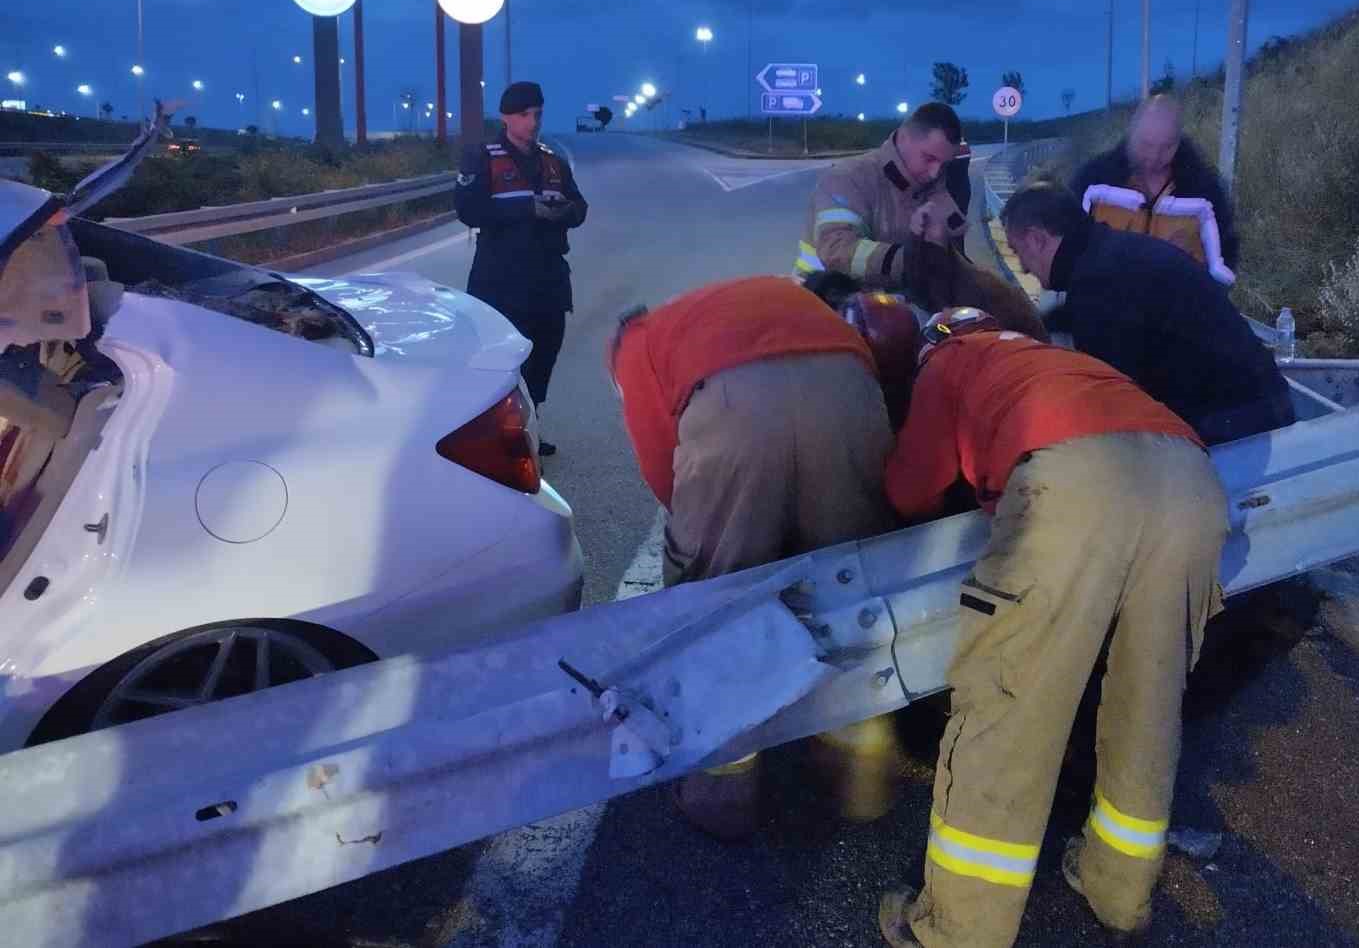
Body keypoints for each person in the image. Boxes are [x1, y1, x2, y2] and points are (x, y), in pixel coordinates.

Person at [876, 311, 1230, 948]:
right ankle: (1118, 894)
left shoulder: (948, 362)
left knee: (1011, 710)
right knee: (1147, 706)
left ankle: (961, 931)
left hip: (1073, 490)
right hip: (1193, 483)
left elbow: (909, 489)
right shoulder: (1053, 359)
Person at [606, 276, 922, 837]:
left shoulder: (635, 345)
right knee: (847, 583)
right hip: (848, 392)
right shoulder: (741, 301)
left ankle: (723, 794)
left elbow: (663, 467)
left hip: (735, 409)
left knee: (719, 604)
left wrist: (705, 535)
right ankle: (859, 770)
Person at [1001, 182, 1295, 446]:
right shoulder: (1111, 251)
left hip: (1241, 427)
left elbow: (1113, 408)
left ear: (1037, 239)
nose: (1024, 268)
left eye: (1017, 252)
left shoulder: (1097, 285)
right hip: (1266, 402)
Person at [455, 81, 586, 456]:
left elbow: (581, 207)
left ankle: (532, 425)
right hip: (500, 279)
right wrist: (526, 209)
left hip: (548, 279)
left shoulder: (552, 160)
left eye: (537, 114)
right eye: (524, 115)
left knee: (544, 354)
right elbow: (468, 209)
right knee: (502, 361)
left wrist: (565, 209)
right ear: (506, 118)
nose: (533, 122)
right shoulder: (481, 157)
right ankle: (498, 433)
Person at [794, 102, 967, 286]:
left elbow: (951, 266)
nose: (935, 172)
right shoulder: (847, 178)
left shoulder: (938, 189)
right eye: (929, 158)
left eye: (943, 164)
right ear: (903, 138)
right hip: (824, 301)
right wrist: (910, 260)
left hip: (898, 307)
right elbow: (836, 249)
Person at [1070, 93, 1239, 274]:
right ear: (1131, 134)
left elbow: (1225, 259)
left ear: (1178, 140)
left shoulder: (1203, 189)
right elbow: (1068, 243)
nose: (1154, 156)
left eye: (1167, 147)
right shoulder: (1094, 181)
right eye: (1146, 145)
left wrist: (1191, 263)